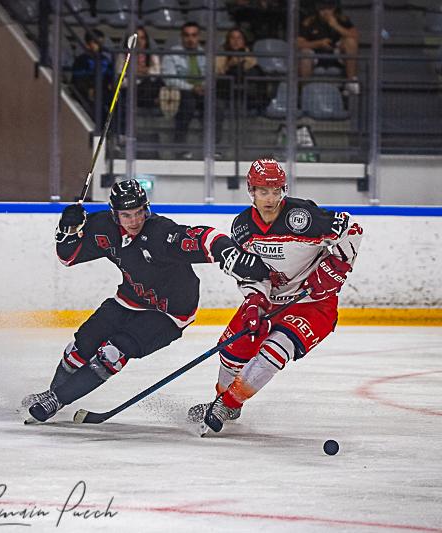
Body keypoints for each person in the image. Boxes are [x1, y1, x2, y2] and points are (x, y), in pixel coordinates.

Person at [22, 179, 279, 423]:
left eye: (138, 212)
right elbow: (68, 258)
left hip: (170, 313)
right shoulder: (103, 228)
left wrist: (227, 251)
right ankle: (53, 395)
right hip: (128, 300)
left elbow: (202, 237)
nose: (134, 221)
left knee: (112, 353)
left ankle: (56, 400)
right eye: (126, 215)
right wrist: (67, 229)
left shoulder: (161, 234)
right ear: (114, 215)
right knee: (79, 347)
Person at [189, 158, 364, 435]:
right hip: (270, 302)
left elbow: (351, 230)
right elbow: (249, 273)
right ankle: (224, 401)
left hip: (312, 303)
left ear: (284, 189)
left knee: (275, 349)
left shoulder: (303, 217)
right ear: (251, 191)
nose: (270, 198)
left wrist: (335, 267)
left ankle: (226, 404)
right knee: (231, 352)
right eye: (262, 191)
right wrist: (254, 302)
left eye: (275, 191)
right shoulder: (243, 228)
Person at [160, 22, 224, 159]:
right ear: (181, 37)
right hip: (181, 91)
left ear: (198, 37)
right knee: (187, 104)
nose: (190, 39)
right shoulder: (172, 53)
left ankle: (213, 148)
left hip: (201, 91)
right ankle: (180, 148)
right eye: (187, 35)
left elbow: (210, 75)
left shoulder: (205, 54)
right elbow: (169, 78)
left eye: (194, 35)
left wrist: (203, 87)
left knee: (217, 107)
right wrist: (191, 88)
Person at [297, 0, 360, 94]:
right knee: (305, 53)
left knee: (350, 42)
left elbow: (355, 36)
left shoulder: (342, 19)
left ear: (334, 8)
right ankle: (305, 90)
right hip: (316, 55)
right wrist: (319, 43)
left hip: (337, 54)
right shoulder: (309, 21)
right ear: (317, 8)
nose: (326, 11)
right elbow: (298, 43)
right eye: (322, 8)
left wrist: (336, 26)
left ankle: (351, 82)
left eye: (329, 8)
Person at [216, 27, 267, 115]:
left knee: (258, 70)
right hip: (225, 85)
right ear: (228, 40)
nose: (236, 41)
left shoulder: (247, 53)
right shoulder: (221, 53)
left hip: (244, 83)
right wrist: (229, 65)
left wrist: (243, 62)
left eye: (239, 38)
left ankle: (260, 102)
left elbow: (253, 67)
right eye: (232, 38)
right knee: (235, 69)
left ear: (243, 41)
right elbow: (217, 72)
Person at [71, 29, 114, 121]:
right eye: (96, 43)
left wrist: (111, 84)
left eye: (101, 43)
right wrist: (89, 89)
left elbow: (110, 76)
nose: (99, 46)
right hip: (86, 93)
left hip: (103, 91)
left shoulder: (105, 60)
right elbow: (78, 79)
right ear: (87, 44)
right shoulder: (81, 60)